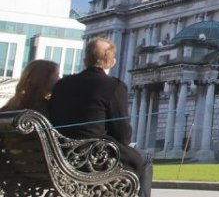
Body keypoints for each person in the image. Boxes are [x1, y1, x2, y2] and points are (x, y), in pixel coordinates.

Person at [47, 38, 151, 197]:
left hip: (60, 153)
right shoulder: (113, 86)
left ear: (85, 60)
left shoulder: (62, 84)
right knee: (145, 158)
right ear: (112, 62)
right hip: (94, 155)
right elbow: (123, 135)